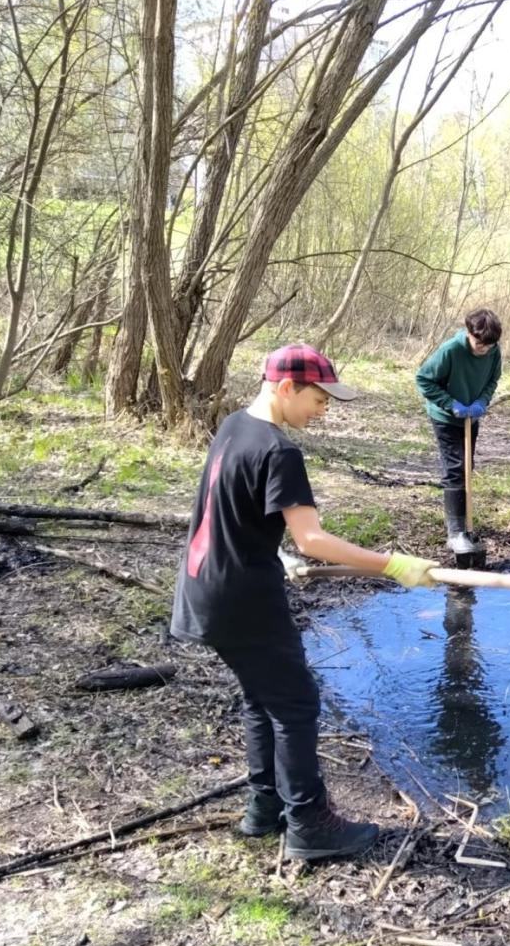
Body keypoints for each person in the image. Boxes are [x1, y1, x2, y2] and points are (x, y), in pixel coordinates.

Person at [170, 344, 438, 861]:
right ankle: (310, 823)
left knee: (261, 698)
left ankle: (264, 807)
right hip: (244, 597)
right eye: (319, 398)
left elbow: (226, 511)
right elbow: (312, 539)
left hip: (204, 588)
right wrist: (392, 565)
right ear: (287, 388)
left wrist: (272, 551)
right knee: (295, 705)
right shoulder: (279, 451)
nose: (324, 409)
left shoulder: (232, 427)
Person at [415, 309, 503, 553]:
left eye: (488, 345)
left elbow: (493, 380)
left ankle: (465, 525)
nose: (483, 349)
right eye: (479, 343)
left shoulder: (494, 351)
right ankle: (455, 534)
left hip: (471, 416)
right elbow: (423, 379)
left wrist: (482, 402)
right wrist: (449, 403)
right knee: (455, 468)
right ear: (468, 333)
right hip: (446, 416)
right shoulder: (451, 350)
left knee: (466, 468)